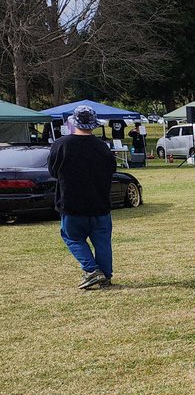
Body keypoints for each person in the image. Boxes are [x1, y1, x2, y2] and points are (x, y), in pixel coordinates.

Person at [47, 105, 117, 290]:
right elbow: (112, 170)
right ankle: (105, 275)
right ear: (94, 124)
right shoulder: (102, 146)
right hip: (99, 203)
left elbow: (53, 171)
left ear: (73, 121)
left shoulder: (61, 145)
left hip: (72, 203)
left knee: (72, 237)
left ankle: (92, 270)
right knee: (102, 241)